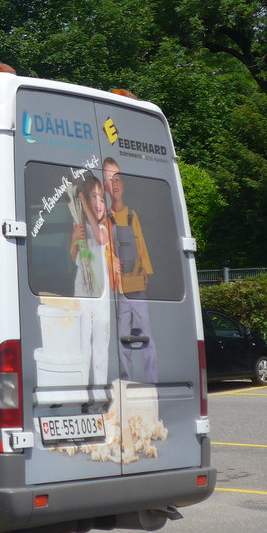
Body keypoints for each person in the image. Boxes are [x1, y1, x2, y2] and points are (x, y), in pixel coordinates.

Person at [103, 157, 158, 383]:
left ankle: (152, 381)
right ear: (105, 186)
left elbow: (141, 243)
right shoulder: (104, 217)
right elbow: (104, 246)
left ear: (122, 185)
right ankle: (126, 380)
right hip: (119, 286)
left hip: (135, 282)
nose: (114, 185)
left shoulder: (132, 214)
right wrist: (110, 260)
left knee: (146, 333)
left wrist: (145, 269)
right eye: (109, 180)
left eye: (117, 180)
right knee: (122, 337)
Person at [70, 172, 117, 406]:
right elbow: (72, 258)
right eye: (93, 198)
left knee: (100, 348)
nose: (99, 203)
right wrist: (74, 240)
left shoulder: (103, 229)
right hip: (82, 294)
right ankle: (80, 393)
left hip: (100, 298)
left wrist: (85, 210)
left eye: (101, 198)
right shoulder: (79, 227)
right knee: (83, 347)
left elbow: (99, 240)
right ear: (85, 200)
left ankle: (99, 394)